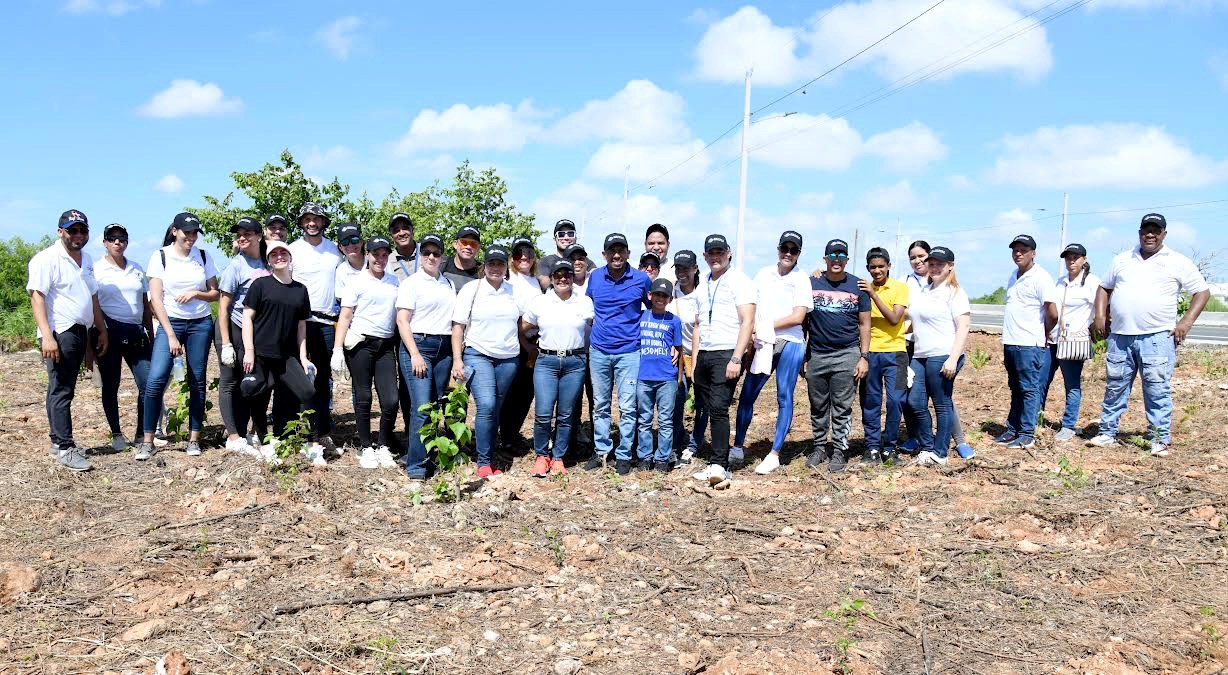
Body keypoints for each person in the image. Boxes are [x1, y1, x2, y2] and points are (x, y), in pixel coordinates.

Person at [1089, 213, 1211, 457]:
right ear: (1139, 233)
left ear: (1164, 234)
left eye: (1156, 230)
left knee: (1156, 389)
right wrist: (1100, 315)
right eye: (1146, 230)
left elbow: (1202, 292)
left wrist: (1185, 322)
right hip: (1121, 337)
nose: (1150, 235)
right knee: (1115, 386)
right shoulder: (1122, 259)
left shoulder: (1177, 261)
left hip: (1157, 338)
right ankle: (1107, 432)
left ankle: (1159, 438)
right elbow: (1104, 287)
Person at [27, 209, 108, 471]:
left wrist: (101, 329)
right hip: (60, 331)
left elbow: (92, 297)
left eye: (82, 230)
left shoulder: (87, 259)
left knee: (61, 388)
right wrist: (47, 336)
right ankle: (65, 446)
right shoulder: (46, 259)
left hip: (80, 331)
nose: (78, 235)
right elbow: (37, 296)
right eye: (72, 230)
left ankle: (57, 441)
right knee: (61, 389)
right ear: (60, 231)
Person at [136, 212, 219, 460]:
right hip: (170, 322)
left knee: (197, 380)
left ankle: (194, 438)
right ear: (175, 231)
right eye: (187, 233)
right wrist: (171, 335)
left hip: (200, 323)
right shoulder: (160, 256)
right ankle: (147, 439)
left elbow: (214, 293)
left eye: (195, 233)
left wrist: (196, 293)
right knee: (156, 379)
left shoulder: (203, 256)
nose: (191, 238)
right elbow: (156, 301)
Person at [732, 231, 811, 475]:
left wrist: (765, 326)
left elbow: (799, 316)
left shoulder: (801, 279)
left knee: (784, 396)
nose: (788, 253)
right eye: (784, 248)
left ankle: (775, 453)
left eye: (793, 250)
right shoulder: (763, 274)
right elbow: (751, 306)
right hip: (764, 342)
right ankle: (737, 446)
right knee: (747, 394)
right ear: (778, 249)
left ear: (798, 254)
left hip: (791, 342)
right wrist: (752, 332)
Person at [239, 241, 321, 464]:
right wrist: (249, 351)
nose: (279, 257)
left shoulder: (300, 290)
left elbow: (301, 326)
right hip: (261, 353)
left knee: (307, 393)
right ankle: (265, 442)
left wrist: (303, 357)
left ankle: (311, 444)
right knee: (258, 395)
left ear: (290, 257)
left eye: (283, 253)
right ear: (268, 260)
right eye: (274, 254)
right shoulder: (261, 285)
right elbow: (247, 317)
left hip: (287, 355)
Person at [690, 234, 755, 485]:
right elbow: (697, 324)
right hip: (705, 353)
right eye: (711, 252)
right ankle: (715, 459)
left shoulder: (740, 281)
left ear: (728, 253)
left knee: (718, 408)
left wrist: (737, 358)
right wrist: (695, 360)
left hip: (726, 352)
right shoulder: (703, 282)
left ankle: (720, 464)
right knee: (708, 407)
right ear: (705, 256)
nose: (715, 256)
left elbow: (748, 320)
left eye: (720, 252)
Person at [452, 244, 522, 477]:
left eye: (500, 263)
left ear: (506, 267)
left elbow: (525, 322)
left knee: (496, 409)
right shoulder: (472, 289)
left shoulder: (514, 291)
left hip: (508, 359)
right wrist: (457, 360)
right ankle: (484, 462)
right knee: (487, 406)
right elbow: (458, 326)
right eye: (491, 263)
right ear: (484, 265)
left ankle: (490, 454)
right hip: (478, 353)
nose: (495, 267)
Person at [900, 240, 975, 458]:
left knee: (942, 404)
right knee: (915, 401)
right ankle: (926, 445)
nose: (933, 267)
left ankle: (941, 451)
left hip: (941, 354)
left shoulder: (955, 292)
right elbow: (909, 317)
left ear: (950, 266)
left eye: (938, 264)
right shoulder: (924, 290)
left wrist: (952, 359)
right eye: (931, 263)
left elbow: (964, 326)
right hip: (920, 354)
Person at [584, 233, 652, 470]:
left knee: (627, 406)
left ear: (628, 253)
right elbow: (590, 307)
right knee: (600, 404)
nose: (616, 255)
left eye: (621, 250)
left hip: (629, 352)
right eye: (611, 251)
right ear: (604, 254)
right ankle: (602, 451)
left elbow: (653, 308)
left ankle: (624, 453)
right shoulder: (595, 278)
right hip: (600, 350)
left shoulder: (641, 279)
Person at [333, 235, 401, 469]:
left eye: (384, 255)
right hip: (361, 344)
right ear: (368, 255)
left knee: (391, 400)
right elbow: (346, 315)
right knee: (363, 397)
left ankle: (383, 445)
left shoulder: (394, 282)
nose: (380, 259)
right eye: (375, 254)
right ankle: (365, 446)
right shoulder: (356, 281)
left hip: (385, 346)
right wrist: (337, 349)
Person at [804, 238, 870, 474]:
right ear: (825, 259)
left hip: (847, 354)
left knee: (842, 406)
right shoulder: (811, 283)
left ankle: (840, 450)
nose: (836, 260)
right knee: (818, 405)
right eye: (832, 256)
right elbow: (803, 320)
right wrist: (805, 354)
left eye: (841, 256)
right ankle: (819, 447)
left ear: (847, 260)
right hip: (818, 354)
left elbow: (865, 323)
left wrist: (864, 356)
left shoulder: (858, 286)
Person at [522, 259, 594, 476]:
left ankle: (559, 457)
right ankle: (542, 455)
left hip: (575, 362)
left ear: (573, 277)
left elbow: (593, 327)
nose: (563, 279)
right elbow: (524, 327)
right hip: (547, 362)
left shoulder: (584, 302)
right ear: (551, 278)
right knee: (543, 412)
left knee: (566, 413)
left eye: (567, 275)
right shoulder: (540, 302)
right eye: (558, 275)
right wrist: (530, 348)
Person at [396, 234, 456, 480]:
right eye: (427, 252)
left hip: (444, 349)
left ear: (442, 257)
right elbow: (402, 320)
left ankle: (426, 455)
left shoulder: (448, 284)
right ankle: (416, 467)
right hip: (419, 346)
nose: (431, 257)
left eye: (436, 253)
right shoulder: (411, 283)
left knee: (435, 406)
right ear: (420, 255)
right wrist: (415, 355)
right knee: (421, 407)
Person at [90, 223, 152, 453]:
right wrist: (96, 335)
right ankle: (116, 433)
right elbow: (93, 303)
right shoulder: (96, 269)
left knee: (147, 384)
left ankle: (141, 433)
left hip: (136, 332)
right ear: (105, 242)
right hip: (108, 332)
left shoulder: (136, 268)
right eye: (113, 238)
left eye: (122, 238)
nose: (118, 242)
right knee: (111, 384)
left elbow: (145, 303)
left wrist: (150, 332)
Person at [288, 202, 342, 448]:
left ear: (323, 222)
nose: (312, 223)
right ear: (301, 222)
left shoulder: (334, 250)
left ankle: (321, 431)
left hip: (326, 322)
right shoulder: (291, 250)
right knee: (295, 376)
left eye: (317, 219)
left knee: (322, 379)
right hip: (299, 322)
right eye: (307, 219)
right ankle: (296, 430)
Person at [996, 234, 1058, 450]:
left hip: (1029, 343)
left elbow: (1052, 312)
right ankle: (1012, 428)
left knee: (1029, 388)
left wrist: (1044, 333)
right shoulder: (1013, 275)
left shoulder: (1041, 277)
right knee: (1015, 387)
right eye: (1015, 250)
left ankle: (1026, 433)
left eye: (1024, 250)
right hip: (1011, 342)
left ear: (1034, 253)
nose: (1019, 253)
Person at [215, 217, 267, 457]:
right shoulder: (236, 265)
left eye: (248, 233)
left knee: (254, 381)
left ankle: (253, 430)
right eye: (239, 234)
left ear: (259, 235)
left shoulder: (267, 260)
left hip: (255, 331)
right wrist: (226, 343)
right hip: (232, 327)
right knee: (230, 380)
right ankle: (233, 436)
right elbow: (223, 306)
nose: (242, 238)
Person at [857, 247, 910, 465]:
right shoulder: (863, 289)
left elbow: (894, 319)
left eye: (881, 266)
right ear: (867, 268)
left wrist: (873, 294)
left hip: (896, 354)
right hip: (871, 353)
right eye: (873, 267)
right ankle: (871, 447)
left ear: (889, 266)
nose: (877, 270)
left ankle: (889, 447)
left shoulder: (899, 288)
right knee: (871, 402)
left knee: (896, 400)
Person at [1043, 244, 1101, 443]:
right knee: (1042, 380)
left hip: (1074, 341)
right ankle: (1036, 418)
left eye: (1075, 257)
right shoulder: (1060, 282)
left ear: (1084, 259)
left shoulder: (1093, 283)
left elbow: (1103, 309)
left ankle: (1068, 425)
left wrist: (1093, 327)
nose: (1071, 261)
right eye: (1068, 257)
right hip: (1054, 339)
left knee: (1072, 384)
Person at [636, 278, 684, 474]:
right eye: (657, 294)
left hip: (666, 378)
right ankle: (644, 456)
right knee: (644, 419)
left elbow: (679, 350)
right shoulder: (641, 316)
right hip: (643, 377)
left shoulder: (674, 320)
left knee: (665, 420)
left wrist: (679, 377)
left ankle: (662, 458)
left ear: (670, 299)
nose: (660, 298)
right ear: (649, 296)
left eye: (664, 296)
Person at [500, 236, 542, 453]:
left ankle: (513, 433)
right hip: (517, 343)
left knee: (527, 393)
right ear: (512, 258)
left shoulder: (536, 281)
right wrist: (525, 345)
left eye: (528, 253)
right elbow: (512, 318)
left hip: (535, 342)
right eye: (518, 254)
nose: (524, 257)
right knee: (512, 393)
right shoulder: (509, 281)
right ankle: (505, 437)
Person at [670, 250, 707, 464]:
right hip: (677, 355)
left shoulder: (704, 292)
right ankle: (676, 442)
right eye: (678, 268)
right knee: (676, 398)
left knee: (701, 401)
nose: (682, 272)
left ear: (695, 268)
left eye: (686, 267)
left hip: (699, 354)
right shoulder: (670, 293)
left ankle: (694, 444)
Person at [538, 219, 589, 290]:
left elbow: (595, 275)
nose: (566, 238)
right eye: (561, 234)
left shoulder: (582, 260)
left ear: (575, 238)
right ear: (554, 239)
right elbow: (545, 286)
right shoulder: (545, 261)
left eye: (570, 234)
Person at [332, 222, 366, 303]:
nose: (350, 245)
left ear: (361, 242)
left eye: (354, 240)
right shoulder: (341, 271)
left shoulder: (377, 261)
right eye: (345, 242)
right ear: (340, 247)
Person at [443, 226, 482, 291]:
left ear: (478, 248)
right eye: (464, 242)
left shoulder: (483, 272)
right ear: (455, 244)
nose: (468, 247)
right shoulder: (441, 265)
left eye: (473, 244)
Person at [388, 212, 419, 282]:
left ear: (413, 231)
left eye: (405, 228)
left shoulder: (427, 253)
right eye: (396, 230)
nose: (401, 233)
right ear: (391, 237)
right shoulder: (387, 261)